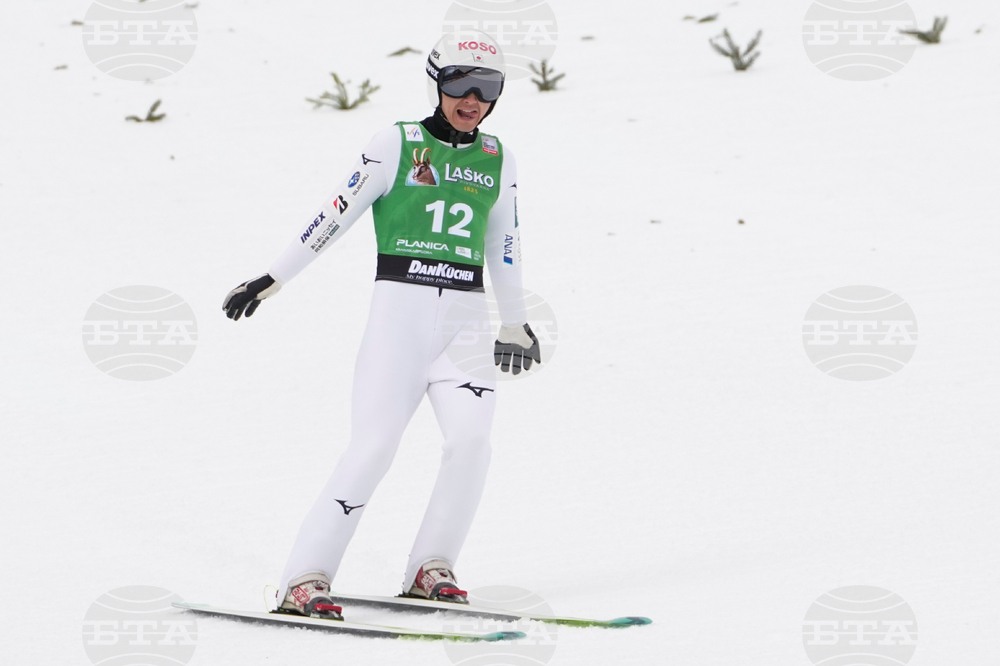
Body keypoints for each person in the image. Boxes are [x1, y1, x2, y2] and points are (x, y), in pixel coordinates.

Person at [222, 31, 541, 621]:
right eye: (459, 86)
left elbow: (505, 239)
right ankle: (304, 579)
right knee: (372, 449)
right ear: (436, 84)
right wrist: (272, 278)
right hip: (400, 319)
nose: (473, 100)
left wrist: (516, 323)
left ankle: (431, 569)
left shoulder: (499, 157)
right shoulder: (396, 143)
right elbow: (335, 212)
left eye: (487, 88)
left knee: (472, 445)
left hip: (465, 327)